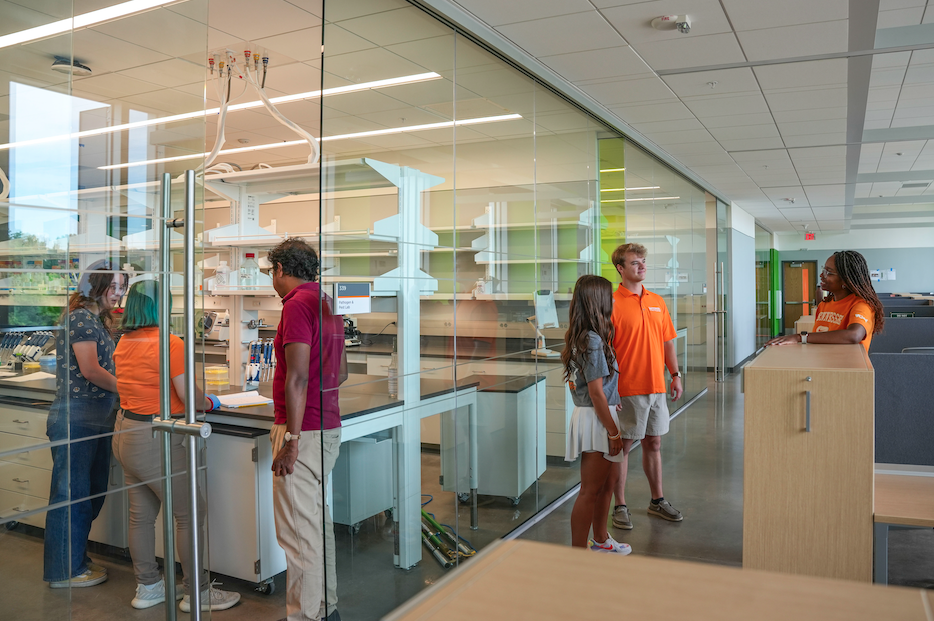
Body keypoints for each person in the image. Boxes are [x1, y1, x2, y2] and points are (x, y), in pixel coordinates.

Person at [111, 280, 240, 612]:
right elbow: (189, 398)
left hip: (126, 431)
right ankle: (196, 592)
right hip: (158, 438)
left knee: (140, 516)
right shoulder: (170, 344)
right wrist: (209, 400)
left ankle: (149, 586)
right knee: (189, 514)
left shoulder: (123, 341)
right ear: (161, 307)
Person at [268, 238, 346, 621]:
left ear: (281, 270)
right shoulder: (326, 302)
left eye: (272, 271)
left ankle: (304, 616)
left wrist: (292, 441)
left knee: (298, 536)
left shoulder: (297, 305)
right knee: (315, 527)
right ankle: (324, 607)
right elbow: (341, 372)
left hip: (303, 432)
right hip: (327, 426)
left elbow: (296, 378)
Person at [44, 260, 126, 588]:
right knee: (73, 499)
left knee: (89, 496)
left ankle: (74, 560)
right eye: (113, 286)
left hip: (95, 421)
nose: (118, 293)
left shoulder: (95, 319)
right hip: (76, 422)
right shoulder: (81, 319)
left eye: (123, 286)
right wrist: (130, 389)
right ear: (95, 286)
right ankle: (66, 571)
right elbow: (91, 370)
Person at [609, 243, 684, 531]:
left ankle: (657, 500)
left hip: (657, 387)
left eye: (643, 262)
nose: (642, 266)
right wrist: (610, 390)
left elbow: (667, 342)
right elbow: (605, 350)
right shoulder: (611, 302)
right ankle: (620, 505)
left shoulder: (657, 301)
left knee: (654, 443)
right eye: (635, 262)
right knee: (623, 447)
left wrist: (675, 374)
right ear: (620, 268)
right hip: (627, 388)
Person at [563, 275, 631, 554]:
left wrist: (612, 401)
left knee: (609, 481)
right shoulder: (591, 340)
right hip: (596, 419)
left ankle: (601, 540)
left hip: (599, 414)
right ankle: (578, 553)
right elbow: (595, 392)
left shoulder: (588, 335)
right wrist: (613, 432)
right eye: (609, 295)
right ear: (597, 301)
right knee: (590, 490)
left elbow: (600, 389)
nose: (613, 300)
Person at [766, 251, 883, 352]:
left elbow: (854, 335)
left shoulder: (861, 305)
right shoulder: (824, 305)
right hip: (824, 363)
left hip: (848, 371)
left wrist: (800, 337)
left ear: (846, 281)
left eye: (829, 272)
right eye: (824, 269)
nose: (822, 275)